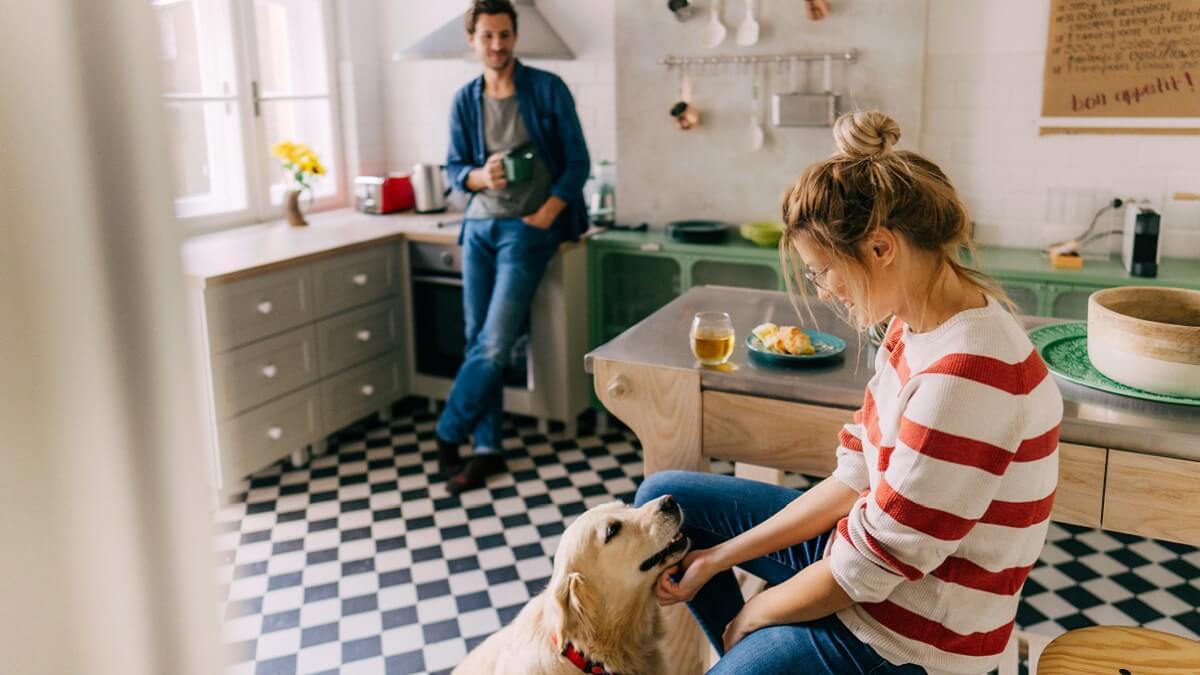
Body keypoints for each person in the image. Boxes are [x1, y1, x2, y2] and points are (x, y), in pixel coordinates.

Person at [635, 111, 1063, 674]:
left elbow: (867, 568)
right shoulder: (915, 323)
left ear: (882, 248)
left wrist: (757, 612)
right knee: (668, 502)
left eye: (822, 271)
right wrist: (718, 559)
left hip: (916, 637)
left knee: (744, 644)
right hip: (875, 566)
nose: (825, 290)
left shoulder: (967, 380)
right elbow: (858, 473)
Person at [435, 0, 590, 496]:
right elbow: (454, 169)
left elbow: (577, 163)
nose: (497, 45)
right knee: (478, 339)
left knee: (496, 342)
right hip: (478, 228)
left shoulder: (546, 88)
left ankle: (447, 431)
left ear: (515, 37)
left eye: (504, 35)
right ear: (472, 40)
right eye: (487, 37)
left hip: (527, 230)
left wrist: (546, 213)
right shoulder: (464, 99)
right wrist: (480, 176)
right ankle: (487, 448)